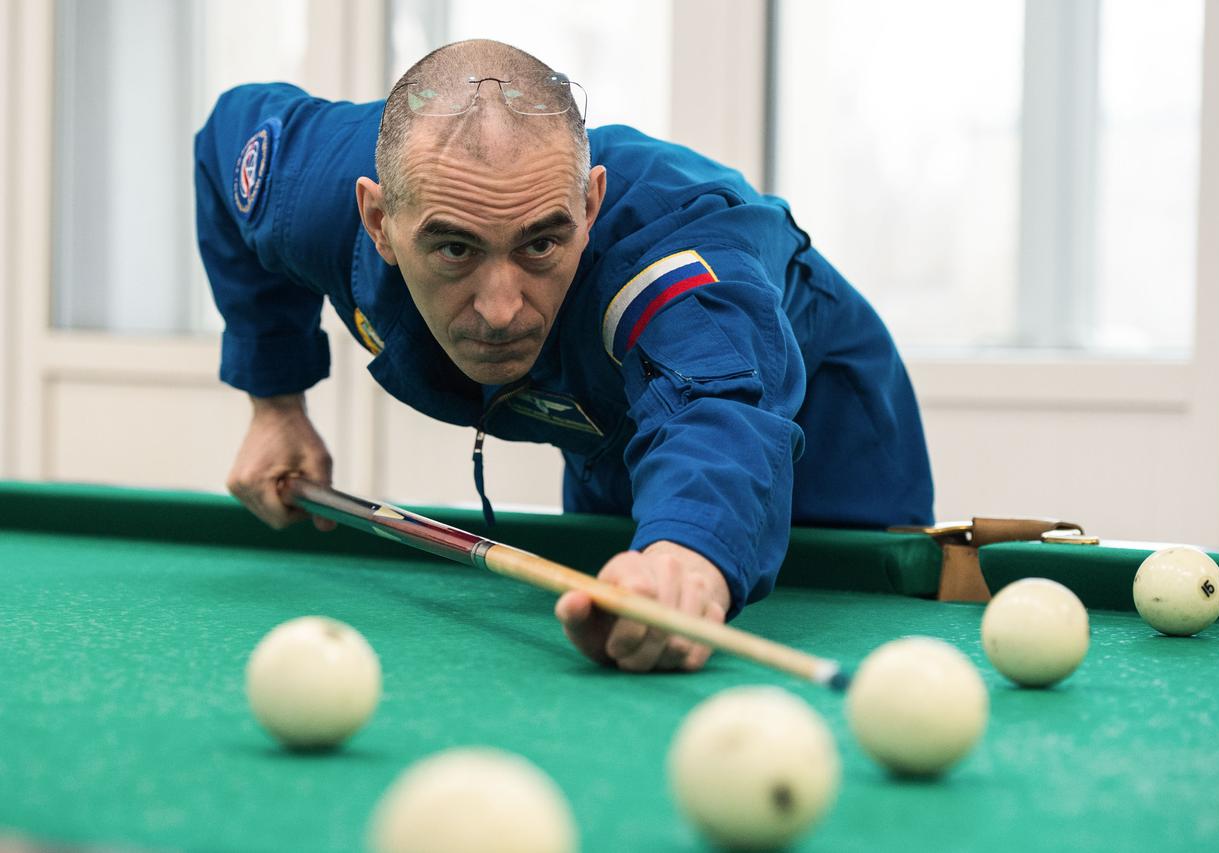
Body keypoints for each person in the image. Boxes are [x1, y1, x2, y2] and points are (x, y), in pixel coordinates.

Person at [194, 38, 933, 674]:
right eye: (454, 248)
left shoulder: (672, 257)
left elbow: (715, 413)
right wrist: (275, 401)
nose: (501, 307)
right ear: (379, 219)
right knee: (624, 617)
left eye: (541, 243)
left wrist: (684, 557)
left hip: (834, 452)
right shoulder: (309, 192)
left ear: (590, 205)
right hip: (612, 435)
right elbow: (225, 140)